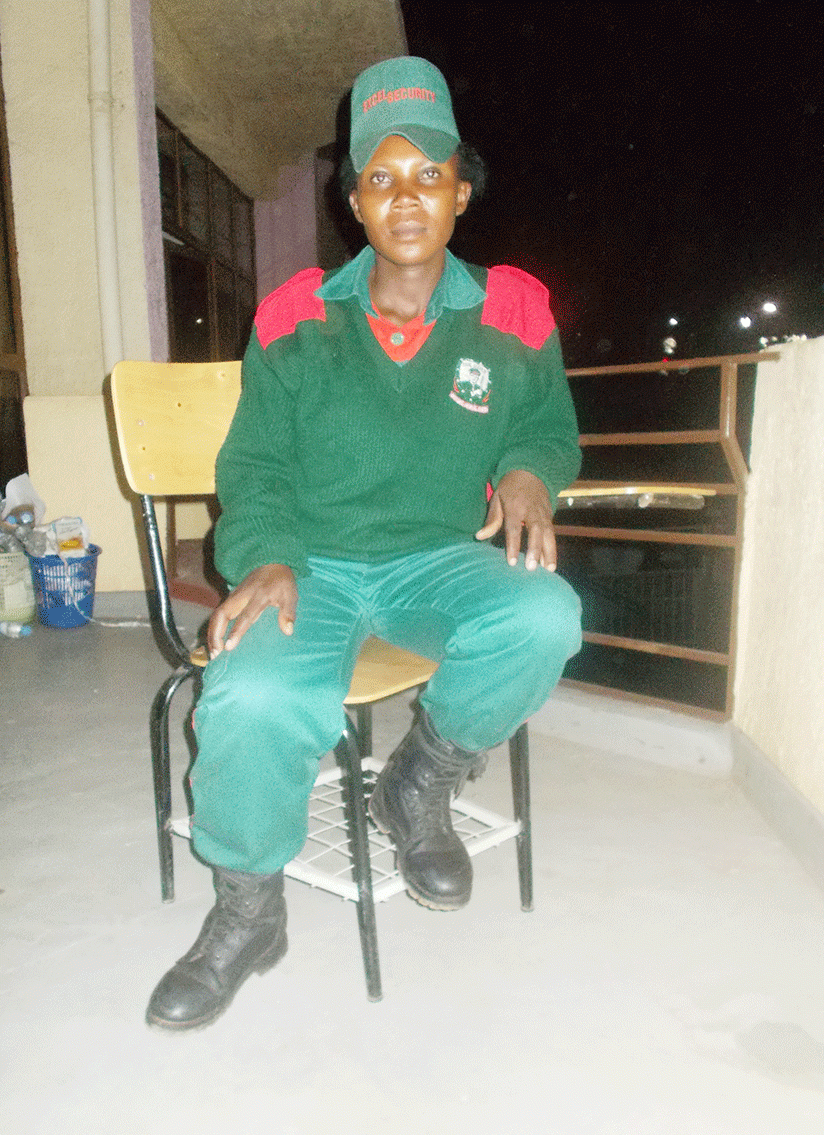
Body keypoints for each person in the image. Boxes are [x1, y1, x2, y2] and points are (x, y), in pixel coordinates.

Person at [146, 56, 582, 1031]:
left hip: (438, 559)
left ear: (461, 190)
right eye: (381, 177)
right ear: (353, 202)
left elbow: (546, 429)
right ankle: (249, 911)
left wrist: (527, 471)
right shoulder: (296, 314)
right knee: (253, 694)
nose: (406, 196)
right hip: (311, 563)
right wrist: (266, 554)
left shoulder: (513, 309)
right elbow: (255, 464)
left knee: (544, 613)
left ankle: (420, 782)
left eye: (428, 173)